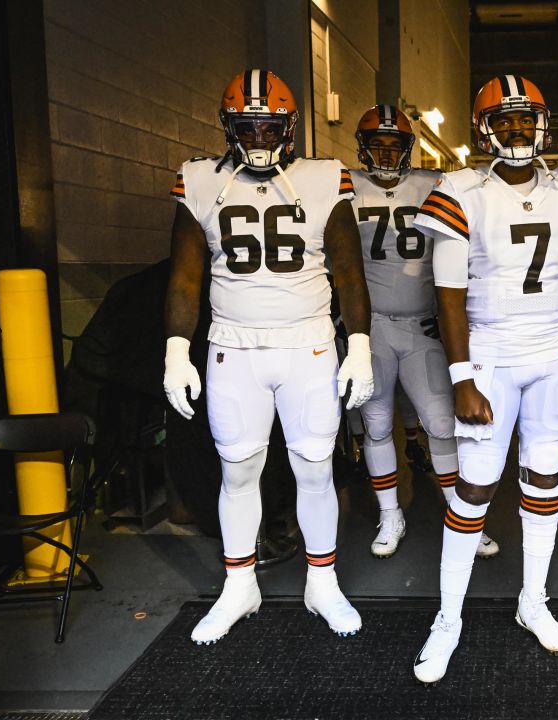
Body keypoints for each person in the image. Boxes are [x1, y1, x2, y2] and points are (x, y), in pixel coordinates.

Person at [163, 68, 375, 644]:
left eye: (269, 127)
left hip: (307, 343)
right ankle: (239, 586)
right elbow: (185, 277)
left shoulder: (324, 177)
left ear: (290, 125)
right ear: (228, 126)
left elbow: (349, 271)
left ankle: (322, 582)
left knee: (314, 468)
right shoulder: (201, 179)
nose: (259, 139)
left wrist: (358, 344)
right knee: (238, 471)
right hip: (233, 346)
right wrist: (176, 349)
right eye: (248, 127)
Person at [410, 74, 558, 683]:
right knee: (474, 490)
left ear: (543, 124)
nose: (517, 128)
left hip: (553, 352)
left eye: (526, 118)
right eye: (505, 120)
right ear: (486, 129)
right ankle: (448, 619)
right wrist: (463, 377)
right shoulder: (460, 189)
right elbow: (448, 296)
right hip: (491, 352)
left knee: (546, 481)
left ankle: (533, 601)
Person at [349, 104, 499, 559]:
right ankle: (390, 512)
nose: (387, 153)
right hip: (371, 326)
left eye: (396, 145)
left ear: (410, 148)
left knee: (440, 421)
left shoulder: (435, 185)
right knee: (376, 423)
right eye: (378, 144)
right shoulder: (345, 186)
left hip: (421, 326)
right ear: (362, 148)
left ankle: (461, 514)